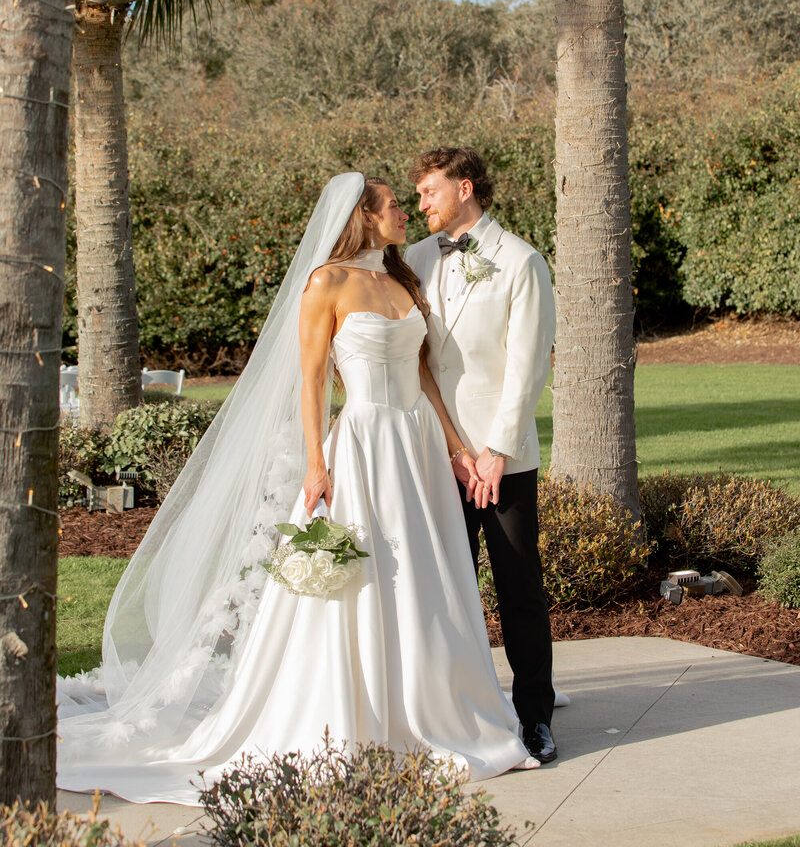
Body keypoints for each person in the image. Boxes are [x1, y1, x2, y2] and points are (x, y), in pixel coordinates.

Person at [57, 172, 534, 805]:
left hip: (415, 447)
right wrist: (316, 462)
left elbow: (422, 374)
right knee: (363, 577)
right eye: (393, 205)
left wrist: (454, 444)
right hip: (361, 445)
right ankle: (357, 711)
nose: (404, 214)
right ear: (362, 215)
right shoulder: (326, 284)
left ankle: (432, 703)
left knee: (427, 574)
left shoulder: (403, 280)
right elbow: (311, 382)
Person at [405, 147, 559, 764]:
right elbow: (416, 359)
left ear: (464, 188)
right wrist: (452, 446)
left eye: (429, 192)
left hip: (504, 459)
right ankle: (458, 715)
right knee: (447, 588)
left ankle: (535, 717)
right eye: (415, 196)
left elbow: (527, 368)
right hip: (437, 454)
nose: (421, 205)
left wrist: (494, 451)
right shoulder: (414, 260)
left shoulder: (522, 262)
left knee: (520, 586)